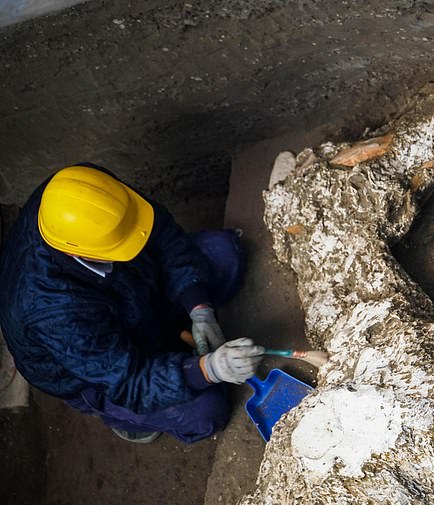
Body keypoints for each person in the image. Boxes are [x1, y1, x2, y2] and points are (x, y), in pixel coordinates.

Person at [0, 164, 264, 444]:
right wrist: (208, 370)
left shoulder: (84, 192)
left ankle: (173, 333)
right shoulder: (53, 312)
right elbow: (128, 381)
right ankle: (122, 417)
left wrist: (199, 306)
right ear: (78, 251)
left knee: (225, 253)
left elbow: (161, 233)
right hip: (98, 365)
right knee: (205, 413)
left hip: (134, 291)